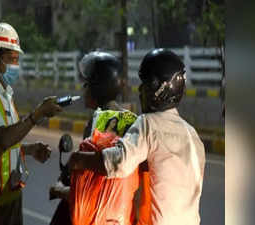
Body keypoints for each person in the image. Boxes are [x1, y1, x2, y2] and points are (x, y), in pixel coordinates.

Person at [68, 49, 206, 225]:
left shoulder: (148, 124)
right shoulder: (193, 135)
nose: (140, 90)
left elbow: (118, 163)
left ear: (157, 89)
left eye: (145, 84)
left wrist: (79, 159)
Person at [0, 22, 62, 225]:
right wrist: (37, 114)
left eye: (17, 60)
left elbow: (6, 141)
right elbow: (3, 138)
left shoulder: (6, 94)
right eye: (12, 60)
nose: (16, 66)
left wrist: (29, 150)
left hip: (11, 195)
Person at [49, 51, 150, 225]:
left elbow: (85, 185)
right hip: (125, 214)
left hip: (98, 214)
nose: (84, 89)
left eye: (87, 84)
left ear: (97, 88)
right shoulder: (132, 119)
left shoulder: (97, 121)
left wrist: (58, 190)